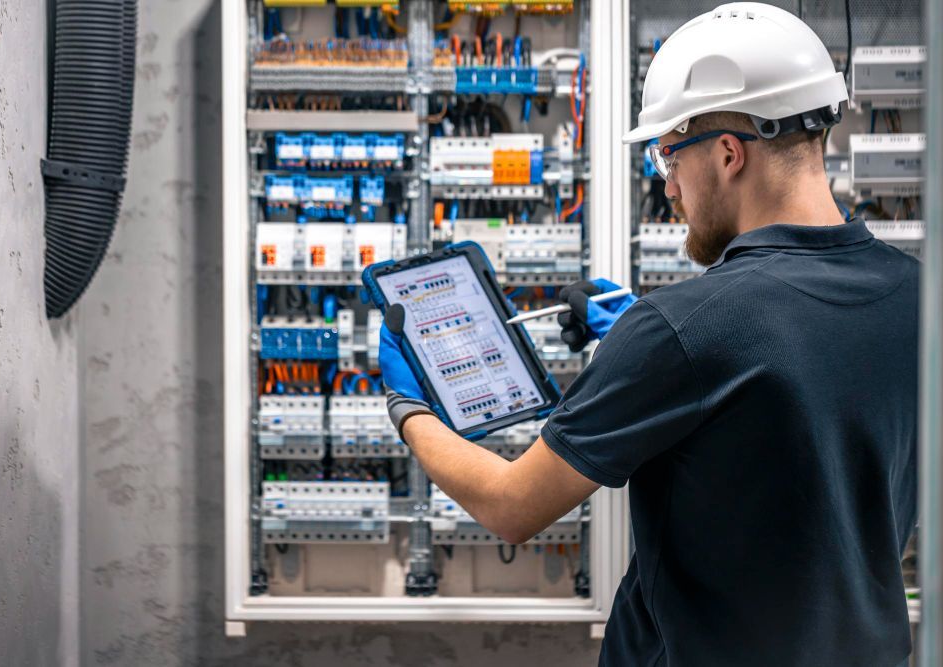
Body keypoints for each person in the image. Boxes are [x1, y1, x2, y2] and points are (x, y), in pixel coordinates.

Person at [379, 2, 919, 665]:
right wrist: (654, 338)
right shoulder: (919, 297)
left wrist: (411, 408)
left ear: (727, 154)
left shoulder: (683, 330)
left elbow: (510, 504)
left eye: (669, 153)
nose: (668, 186)